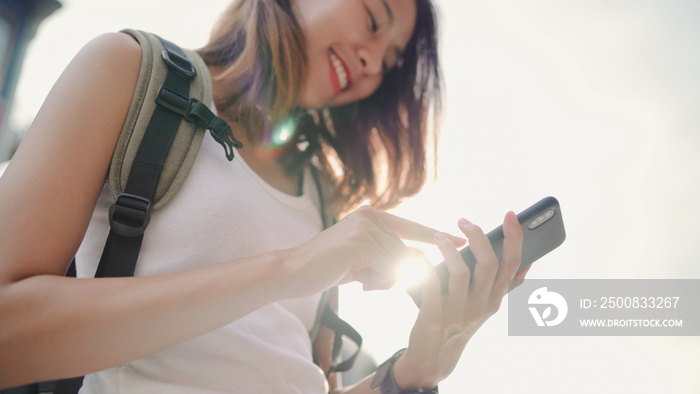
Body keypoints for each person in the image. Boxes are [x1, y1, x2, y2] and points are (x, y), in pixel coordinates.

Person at [0, 0, 530, 392]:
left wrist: (416, 369)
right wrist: (290, 268)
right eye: (372, 19)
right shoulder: (130, 69)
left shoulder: (323, 201)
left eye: (389, 63)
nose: (373, 64)